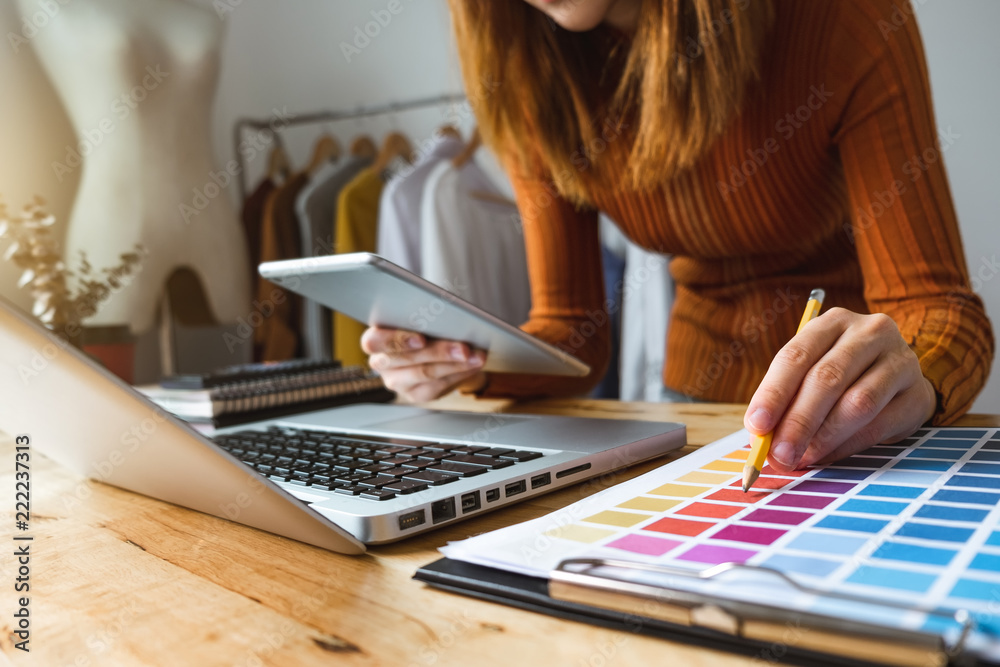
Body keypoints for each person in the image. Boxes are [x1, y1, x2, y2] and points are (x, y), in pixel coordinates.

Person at [362, 0, 994, 473]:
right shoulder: (532, 70)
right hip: (690, 405)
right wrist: (463, 360)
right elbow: (573, 332)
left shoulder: (842, 18)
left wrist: (917, 374)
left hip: (858, 406)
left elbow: (940, 309)